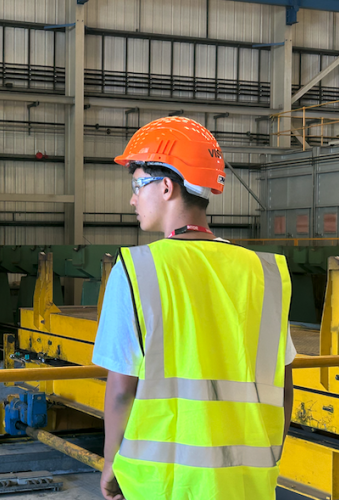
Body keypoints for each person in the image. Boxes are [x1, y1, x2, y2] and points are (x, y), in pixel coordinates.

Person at [92, 117, 295, 500]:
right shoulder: (264, 273)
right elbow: (284, 387)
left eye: (137, 185)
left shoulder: (138, 270)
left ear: (166, 186)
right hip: (247, 486)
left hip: (162, 486)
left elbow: (121, 390)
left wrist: (109, 464)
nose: (132, 199)